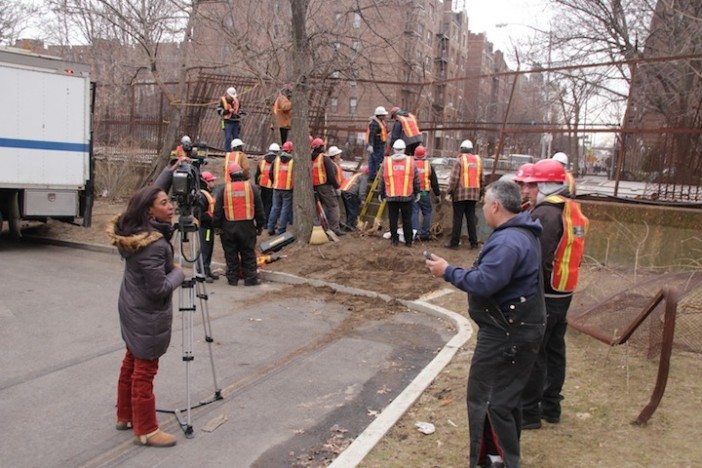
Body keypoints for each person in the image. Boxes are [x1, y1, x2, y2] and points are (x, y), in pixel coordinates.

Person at [426, 179, 545, 468]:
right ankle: (499, 458)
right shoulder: (519, 233)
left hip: (507, 336)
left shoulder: (508, 240)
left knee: (489, 401)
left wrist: (447, 271)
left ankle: (495, 461)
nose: (482, 209)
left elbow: (485, 282)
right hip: (515, 330)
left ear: (496, 206)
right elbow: (494, 275)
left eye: (483, 204)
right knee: (504, 400)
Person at [106, 165, 186, 448]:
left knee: (132, 360)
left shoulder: (133, 229)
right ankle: (146, 429)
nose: (171, 206)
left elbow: (143, 197)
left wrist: (169, 171)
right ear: (150, 212)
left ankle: (125, 415)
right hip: (147, 314)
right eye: (165, 203)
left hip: (132, 308)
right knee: (144, 370)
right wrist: (179, 272)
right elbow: (159, 289)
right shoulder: (153, 246)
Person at [519, 158, 589, 430]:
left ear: (546, 184)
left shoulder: (545, 215)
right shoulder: (573, 210)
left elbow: (538, 258)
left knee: (536, 353)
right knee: (555, 350)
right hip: (564, 291)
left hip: (546, 295)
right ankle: (551, 407)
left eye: (535, 184)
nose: (530, 190)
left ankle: (529, 414)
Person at [213, 163, 266, 286]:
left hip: (228, 227)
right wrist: (260, 226)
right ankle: (250, 279)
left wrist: (216, 226)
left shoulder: (223, 189)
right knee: (248, 253)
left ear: (230, 175)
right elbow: (259, 209)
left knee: (230, 254)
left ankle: (232, 279)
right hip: (247, 227)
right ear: (242, 173)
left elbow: (217, 211)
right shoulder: (252, 188)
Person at [378, 139, 420, 247]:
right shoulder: (411, 162)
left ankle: (394, 240)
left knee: (393, 219)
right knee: (407, 219)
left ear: (394, 150)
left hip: (391, 196)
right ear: (404, 149)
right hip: (407, 196)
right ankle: (408, 241)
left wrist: (381, 193)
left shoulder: (386, 162)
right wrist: (417, 192)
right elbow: (416, 179)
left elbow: (382, 179)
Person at [445, 139, 483, 250]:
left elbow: (454, 178)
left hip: (460, 195)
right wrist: (481, 193)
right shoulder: (478, 161)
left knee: (458, 219)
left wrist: (449, 192)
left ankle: (454, 243)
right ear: (471, 149)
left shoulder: (459, 161)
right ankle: (474, 243)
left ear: (461, 149)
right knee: (471, 218)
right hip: (473, 195)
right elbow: (482, 179)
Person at [310, 137, 343, 236]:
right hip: (325, 186)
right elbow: (331, 176)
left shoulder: (311, 158)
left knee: (321, 208)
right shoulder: (324, 158)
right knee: (333, 206)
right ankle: (335, 229)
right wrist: (337, 187)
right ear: (321, 147)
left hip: (315, 186)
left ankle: (322, 227)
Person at [411, 145, 441, 241]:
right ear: (425, 154)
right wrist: (437, 194)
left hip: (413, 192)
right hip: (424, 193)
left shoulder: (411, 164)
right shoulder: (428, 165)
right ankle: (424, 233)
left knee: (414, 212)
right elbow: (434, 182)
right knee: (427, 212)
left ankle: (414, 233)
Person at [267, 140, 295, 234]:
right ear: (291, 150)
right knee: (285, 209)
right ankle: (281, 229)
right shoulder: (293, 161)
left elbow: (270, 173)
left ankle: (270, 227)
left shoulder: (276, 160)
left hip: (276, 187)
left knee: (275, 207)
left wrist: (274, 182)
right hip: (287, 189)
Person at [195, 171, 218, 282]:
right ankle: (202, 272)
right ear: (206, 182)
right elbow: (199, 214)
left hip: (209, 227)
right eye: (211, 181)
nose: (213, 182)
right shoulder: (201, 195)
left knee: (208, 249)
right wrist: (212, 219)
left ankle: (206, 270)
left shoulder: (206, 193)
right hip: (205, 228)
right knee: (205, 249)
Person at [255, 143, 279, 224]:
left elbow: (257, 174)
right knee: (270, 204)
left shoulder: (262, 161)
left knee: (263, 203)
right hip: (272, 185)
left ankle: (262, 221)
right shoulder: (277, 162)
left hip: (262, 184)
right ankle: (268, 222)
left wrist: (257, 184)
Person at [340, 164, 369, 231]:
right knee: (353, 210)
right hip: (351, 194)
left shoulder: (356, 175)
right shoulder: (363, 177)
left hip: (344, 191)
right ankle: (350, 226)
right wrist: (362, 199)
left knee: (348, 210)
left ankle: (347, 224)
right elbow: (362, 189)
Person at [365, 106, 389, 183]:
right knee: (376, 161)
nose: (385, 116)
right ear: (380, 115)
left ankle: (373, 177)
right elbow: (372, 135)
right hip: (376, 146)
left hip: (379, 145)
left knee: (376, 161)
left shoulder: (379, 122)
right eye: (384, 115)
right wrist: (371, 145)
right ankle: (373, 177)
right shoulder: (374, 124)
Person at [216, 87, 241, 151]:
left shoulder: (236, 101)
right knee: (228, 137)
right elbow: (219, 111)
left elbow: (239, 109)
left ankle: (237, 151)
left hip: (235, 121)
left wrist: (240, 113)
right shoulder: (222, 101)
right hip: (227, 122)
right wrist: (228, 111)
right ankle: (228, 151)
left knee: (236, 137)